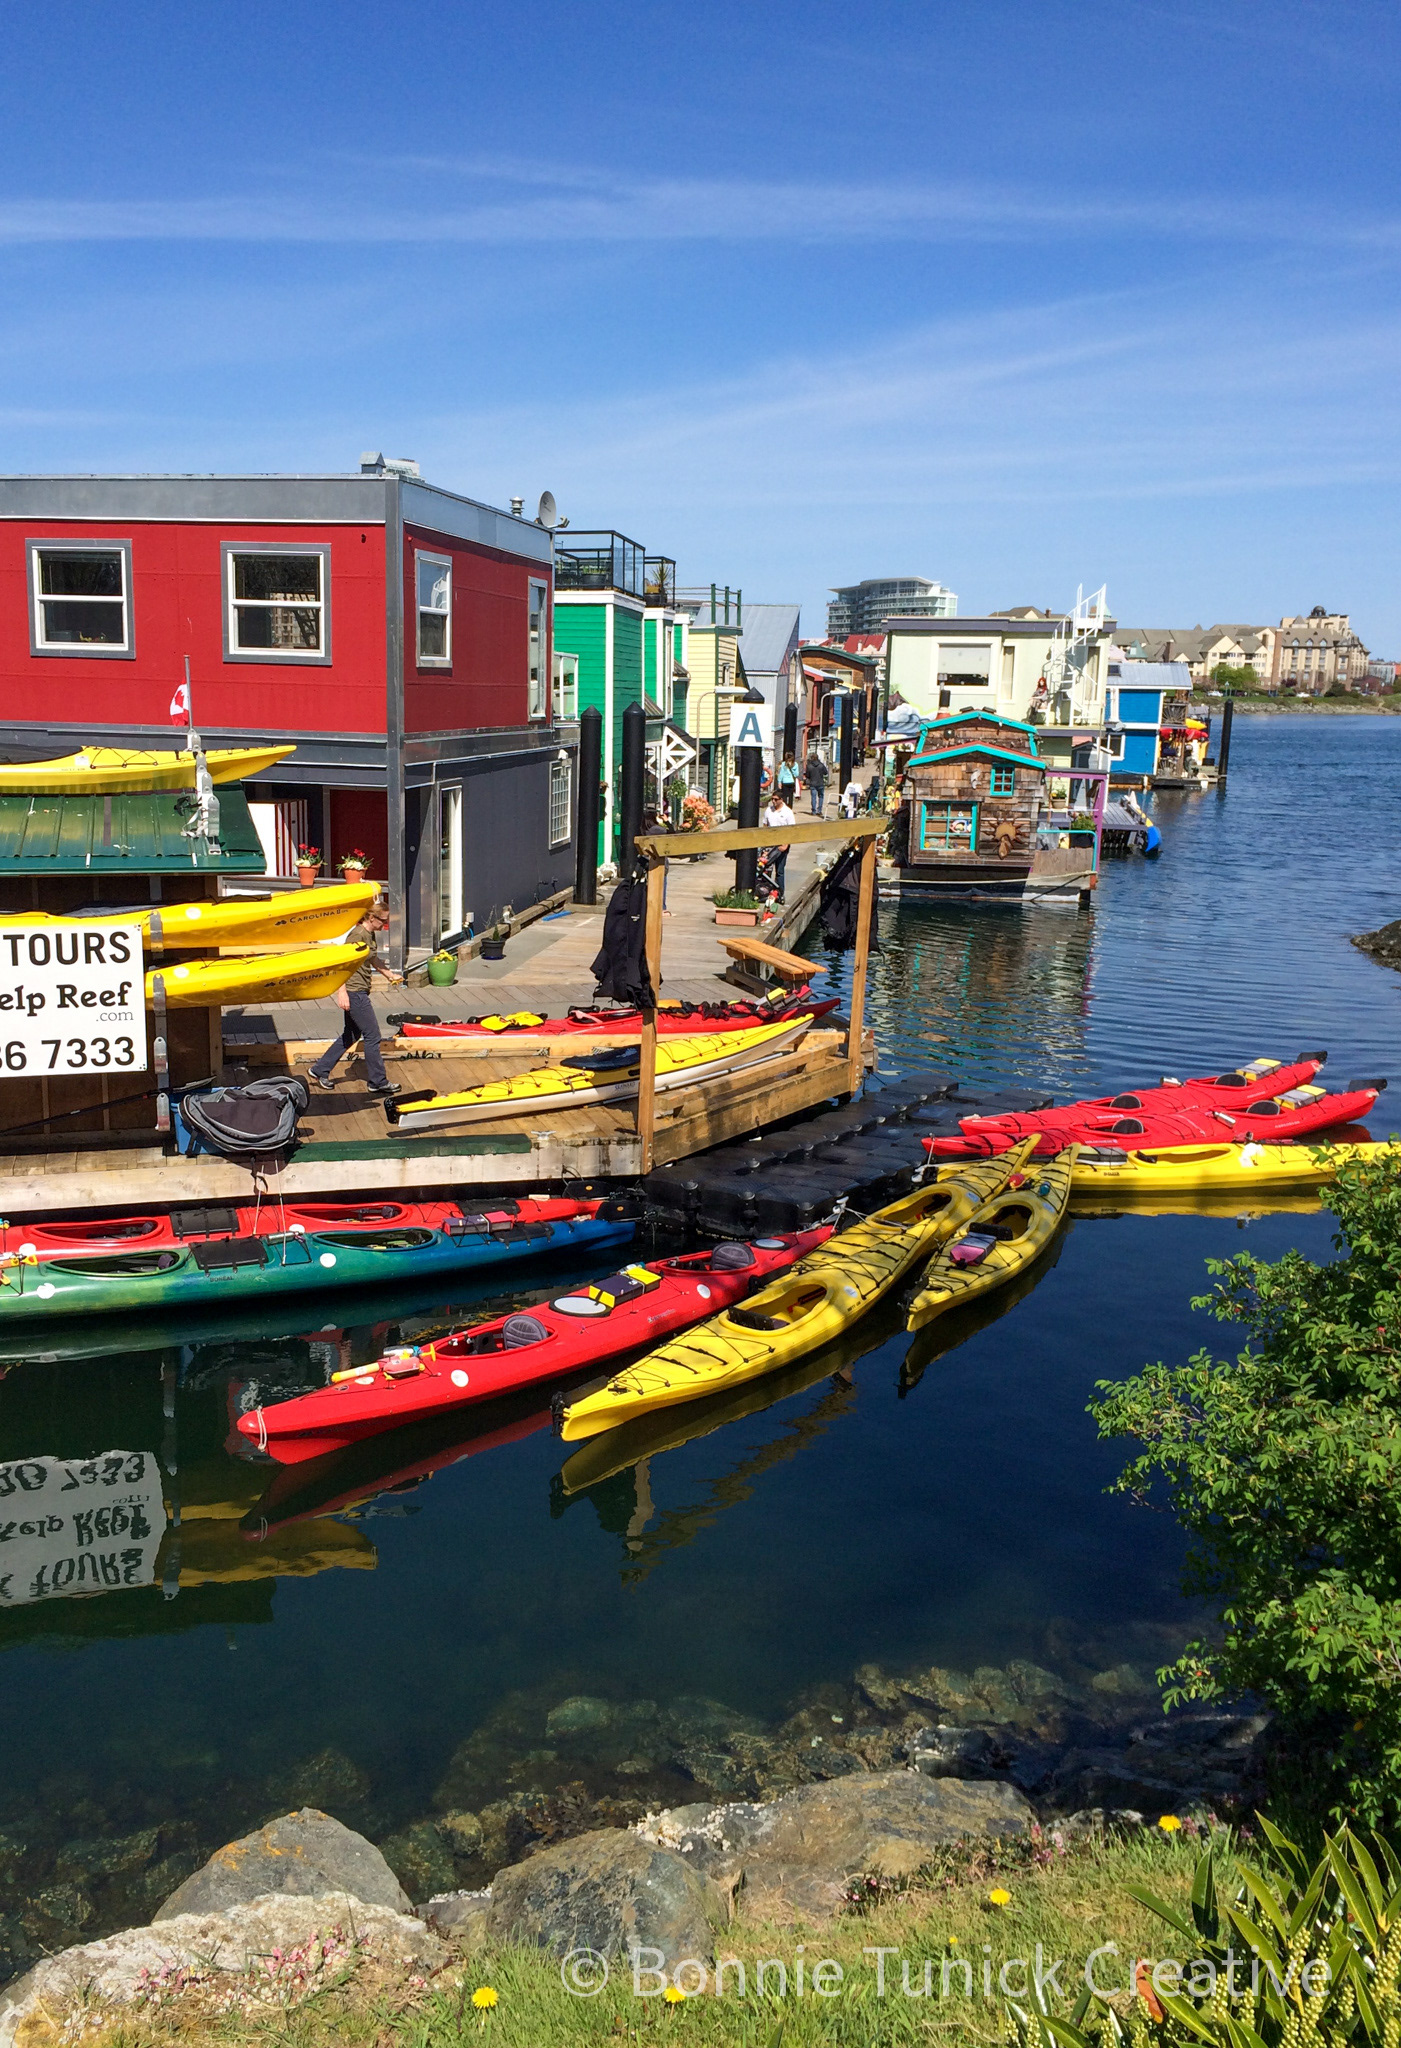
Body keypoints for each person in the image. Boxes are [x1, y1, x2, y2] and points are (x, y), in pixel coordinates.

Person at [309, 898, 401, 1097]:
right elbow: (342, 964)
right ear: (371, 917)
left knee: (351, 1034)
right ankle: (378, 1082)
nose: (385, 925)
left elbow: (373, 958)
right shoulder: (357, 935)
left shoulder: (370, 934)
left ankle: (320, 1069)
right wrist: (341, 992)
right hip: (354, 992)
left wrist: (390, 975)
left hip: (359, 990)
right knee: (373, 1036)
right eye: (383, 921)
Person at [762, 790, 795, 903]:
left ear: (781, 800)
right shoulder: (768, 810)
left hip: (782, 843)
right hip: (770, 844)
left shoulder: (787, 812)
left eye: (776, 799)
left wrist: (786, 845)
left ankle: (780, 894)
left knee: (780, 870)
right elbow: (765, 825)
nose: (773, 801)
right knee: (766, 869)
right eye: (772, 799)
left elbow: (791, 830)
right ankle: (766, 892)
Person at [804, 747, 828, 816]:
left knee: (813, 797)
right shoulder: (821, 765)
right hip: (820, 783)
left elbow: (807, 775)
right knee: (821, 796)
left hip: (813, 783)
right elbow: (825, 773)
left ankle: (814, 811)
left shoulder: (809, 766)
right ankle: (819, 810)